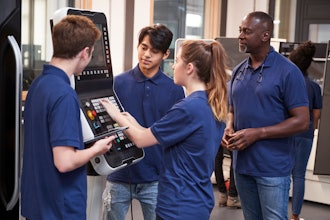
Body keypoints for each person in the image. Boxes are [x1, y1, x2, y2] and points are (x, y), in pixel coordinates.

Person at [100, 39, 228, 219]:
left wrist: (116, 115)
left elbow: (141, 140)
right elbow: (151, 133)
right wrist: (131, 121)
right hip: (196, 201)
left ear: (189, 68)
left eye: (177, 61)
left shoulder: (188, 108)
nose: (174, 66)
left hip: (179, 205)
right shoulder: (208, 103)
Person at [21, 15, 115, 220]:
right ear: (85, 52)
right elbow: (64, 162)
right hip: (59, 209)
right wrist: (97, 149)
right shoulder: (63, 94)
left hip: (37, 204)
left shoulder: (37, 85)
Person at [222, 11, 310, 220]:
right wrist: (229, 126)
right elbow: (232, 109)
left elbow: (302, 121)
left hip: (272, 169)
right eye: (240, 31)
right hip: (242, 166)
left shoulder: (288, 72)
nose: (241, 36)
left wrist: (258, 133)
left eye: (247, 31)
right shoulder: (238, 71)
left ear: (265, 35)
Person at [102, 24, 185, 220]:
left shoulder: (174, 90)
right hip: (119, 174)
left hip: (156, 178)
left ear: (165, 54)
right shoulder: (117, 83)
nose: (146, 54)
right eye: (143, 47)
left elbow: (174, 136)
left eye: (154, 51)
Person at [288, 41, 322, 220]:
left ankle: (278, 212)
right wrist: (310, 131)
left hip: (285, 133)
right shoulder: (314, 87)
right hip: (305, 134)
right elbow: (316, 115)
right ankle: (295, 217)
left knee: (283, 174)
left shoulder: (286, 82)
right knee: (299, 176)